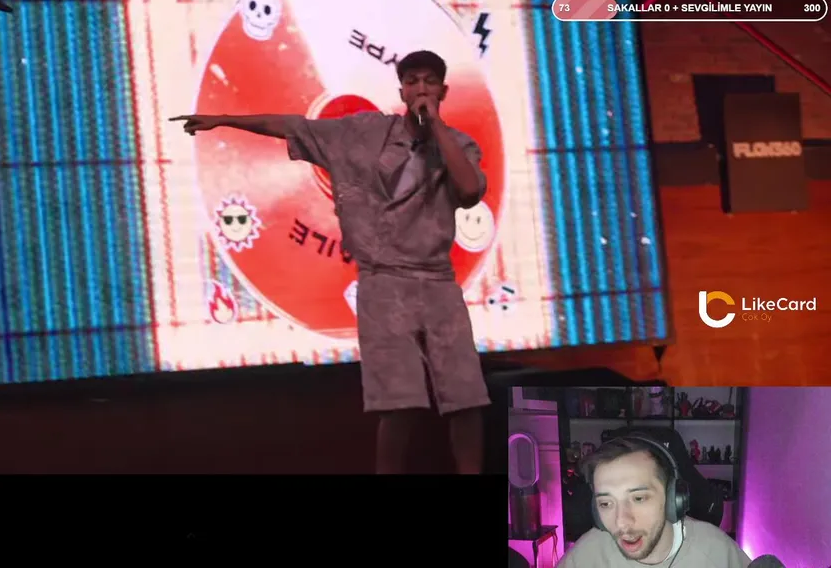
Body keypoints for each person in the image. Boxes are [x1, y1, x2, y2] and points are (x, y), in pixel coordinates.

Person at [170, 50, 490, 474]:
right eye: (412, 81)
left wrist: (437, 128)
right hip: (383, 284)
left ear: (443, 91)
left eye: (429, 82)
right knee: (399, 403)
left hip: (437, 282)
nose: (420, 89)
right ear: (401, 90)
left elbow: (469, 192)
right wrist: (223, 120)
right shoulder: (361, 133)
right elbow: (291, 126)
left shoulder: (459, 145)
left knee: (466, 398)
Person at [560, 436, 751, 567]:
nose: (621, 522)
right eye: (606, 503)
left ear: (672, 498)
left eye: (638, 498)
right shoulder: (585, 557)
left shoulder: (717, 552)